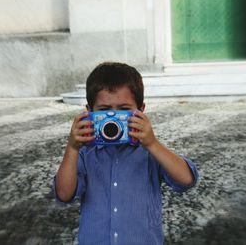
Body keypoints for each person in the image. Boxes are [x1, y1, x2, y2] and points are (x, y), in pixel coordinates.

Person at [53, 62, 199, 245]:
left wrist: (152, 144)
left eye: (123, 110)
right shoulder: (85, 153)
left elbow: (186, 180)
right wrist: (72, 148)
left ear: (141, 110)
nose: (113, 118)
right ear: (89, 112)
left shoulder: (150, 152)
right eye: (104, 111)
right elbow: (64, 194)